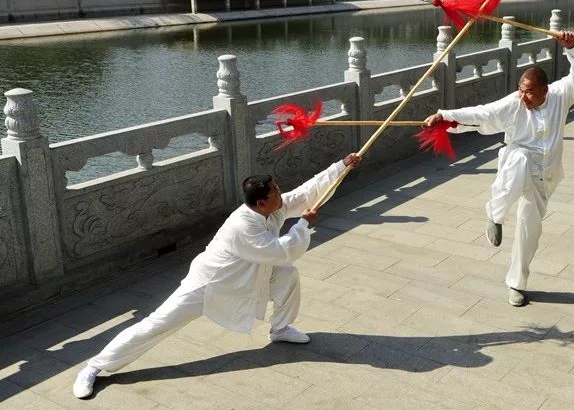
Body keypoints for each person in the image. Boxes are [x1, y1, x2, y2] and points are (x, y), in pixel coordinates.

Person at [72, 153, 362, 398]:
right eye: (275, 193)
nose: (281, 195)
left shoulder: (271, 208)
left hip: (247, 275)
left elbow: (305, 193)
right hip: (208, 284)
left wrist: (342, 166)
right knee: (156, 324)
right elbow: (280, 252)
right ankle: (95, 366)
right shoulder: (243, 225)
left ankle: (281, 329)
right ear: (261, 203)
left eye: (277, 190)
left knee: (287, 276)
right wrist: (302, 226)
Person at [423, 31, 574, 307]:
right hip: (517, 166)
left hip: (544, 177)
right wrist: (446, 117)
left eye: (530, 92)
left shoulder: (560, 96)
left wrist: (572, 47)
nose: (523, 96)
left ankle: (516, 284)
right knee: (520, 159)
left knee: (529, 231)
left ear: (545, 90)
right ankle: (495, 215)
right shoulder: (514, 104)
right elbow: (483, 114)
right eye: (521, 90)